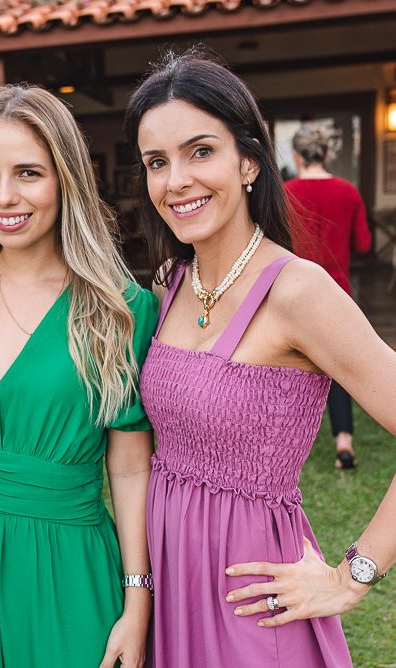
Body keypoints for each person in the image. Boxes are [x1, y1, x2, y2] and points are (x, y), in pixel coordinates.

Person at [124, 49, 396, 667]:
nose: (177, 181)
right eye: (156, 162)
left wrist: (353, 576)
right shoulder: (171, 284)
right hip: (171, 586)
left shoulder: (299, 292)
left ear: (249, 161)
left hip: (252, 602)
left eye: (201, 152)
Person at [0, 84, 157, 667]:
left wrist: (137, 602)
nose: (4, 196)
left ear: (66, 180)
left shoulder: (120, 309)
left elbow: (130, 466)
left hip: (70, 571)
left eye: (28, 172)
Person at [285, 127, 372, 469]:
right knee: (338, 368)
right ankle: (344, 444)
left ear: (296, 157)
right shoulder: (348, 192)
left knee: (287, 366)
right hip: (339, 294)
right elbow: (364, 245)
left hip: (291, 294)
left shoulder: (284, 192)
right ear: (328, 154)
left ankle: (286, 448)